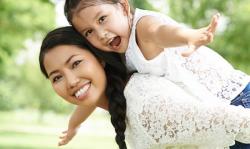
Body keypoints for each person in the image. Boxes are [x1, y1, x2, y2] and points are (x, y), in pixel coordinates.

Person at [64, 1, 250, 148]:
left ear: (123, 6)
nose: (101, 33)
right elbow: (98, 88)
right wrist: (74, 123)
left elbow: (159, 31)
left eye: (102, 19)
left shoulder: (142, 27)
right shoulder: (116, 53)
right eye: (89, 32)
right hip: (216, 113)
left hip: (236, 99)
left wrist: (188, 36)